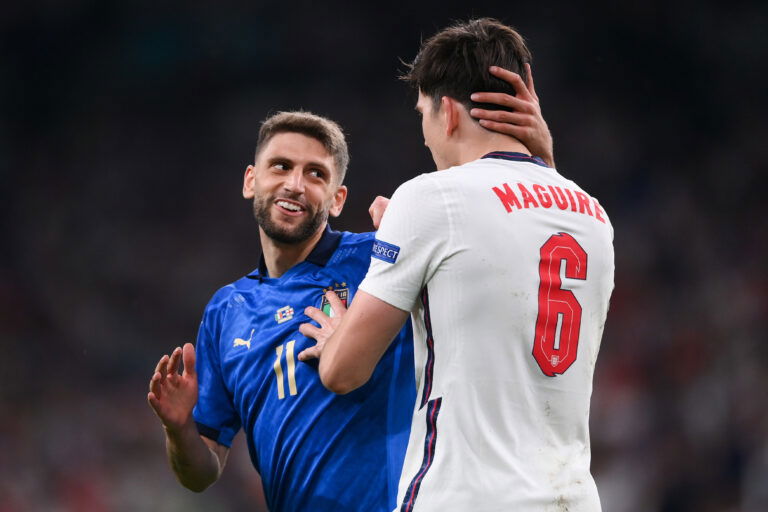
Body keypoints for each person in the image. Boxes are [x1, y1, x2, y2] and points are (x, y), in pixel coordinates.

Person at [147, 74, 554, 510]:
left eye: (315, 174)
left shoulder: (380, 256)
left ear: (337, 199)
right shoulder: (226, 312)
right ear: (251, 181)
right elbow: (201, 473)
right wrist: (179, 430)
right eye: (281, 166)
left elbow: (507, 255)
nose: (295, 185)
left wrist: (540, 162)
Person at [300, 18, 615, 512]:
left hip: (465, 496)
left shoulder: (431, 198)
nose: (426, 137)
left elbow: (344, 372)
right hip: (572, 499)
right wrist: (544, 158)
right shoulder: (594, 215)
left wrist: (336, 335)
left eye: (423, 115)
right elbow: (516, 241)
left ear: (447, 113)